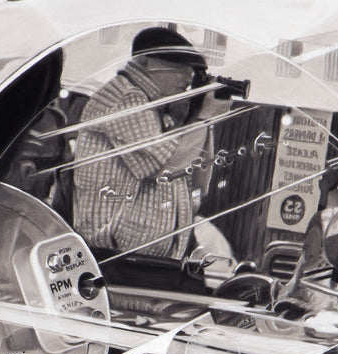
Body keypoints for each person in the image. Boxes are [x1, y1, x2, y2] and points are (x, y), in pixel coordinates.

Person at [72, 26, 231, 260]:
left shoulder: (156, 109)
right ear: (147, 63)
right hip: (115, 258)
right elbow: (165, 166)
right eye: (179, 67)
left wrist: (200, 115)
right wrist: (204, 117)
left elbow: (198, 179)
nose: (188, 77)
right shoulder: (127, 99)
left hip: (140, 259)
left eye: (192, 71)